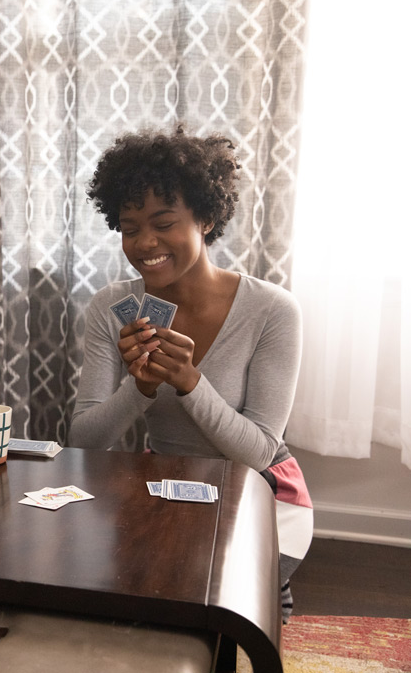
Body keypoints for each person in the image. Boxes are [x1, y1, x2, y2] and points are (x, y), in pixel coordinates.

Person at [70, 127, 313, 623]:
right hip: (168, 480)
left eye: (164, 223)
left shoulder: (272, 311)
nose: (145, 243)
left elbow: (260, 450)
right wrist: (139, 389)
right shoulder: (111, 307)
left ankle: (269, 593)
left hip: (261, 486)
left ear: (205, 217)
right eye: (130, 227)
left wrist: (190, 383)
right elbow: (83, 440)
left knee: (207, 598)